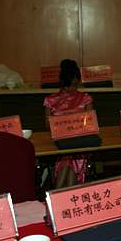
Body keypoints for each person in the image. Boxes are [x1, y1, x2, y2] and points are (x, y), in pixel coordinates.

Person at [43, 59, 93, 188]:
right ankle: (67, 192)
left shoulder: (85, 98)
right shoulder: (51, 100)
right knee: (67, 157)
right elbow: (48, 125)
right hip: (59, 142)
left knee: (69, 157)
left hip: (80, 141)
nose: (71, 89)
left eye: (75, 85)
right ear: (62, 83)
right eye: (68, 85)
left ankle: (57, 192)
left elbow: (91, 123)